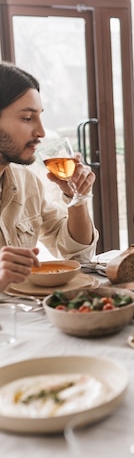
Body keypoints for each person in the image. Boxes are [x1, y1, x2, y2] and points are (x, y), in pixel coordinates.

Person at [0, 61, 98, 291]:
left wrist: (77, 198)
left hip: (25, 319)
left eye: (40, 117)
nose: (41, 132)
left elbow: (77, 255)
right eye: (27, 118)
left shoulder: (28, 183)